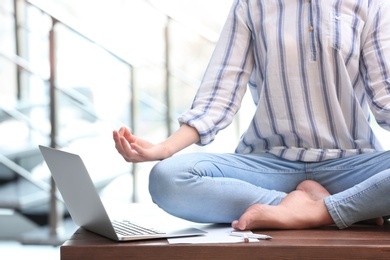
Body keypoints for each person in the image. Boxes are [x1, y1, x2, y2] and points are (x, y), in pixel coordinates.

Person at [113, 0, 390, 231]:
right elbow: (219, 95)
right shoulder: (252, 4)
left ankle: (316, 211)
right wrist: (164, 149)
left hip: (352, 166)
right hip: (269, 165)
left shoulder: (370, 4)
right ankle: (325, 206)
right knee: (168, 178)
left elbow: (385, 98)